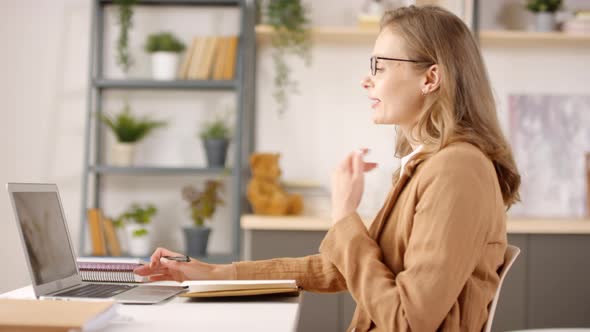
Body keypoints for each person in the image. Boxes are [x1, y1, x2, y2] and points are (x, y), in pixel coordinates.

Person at [134, 5, 520, 331]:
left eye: (380, 66)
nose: (366, 79)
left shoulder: (458, 169)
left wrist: (344, 215)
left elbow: (406, 319)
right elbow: (344, 269)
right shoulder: (432, 164)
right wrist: (214, 274)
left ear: (430, 77)